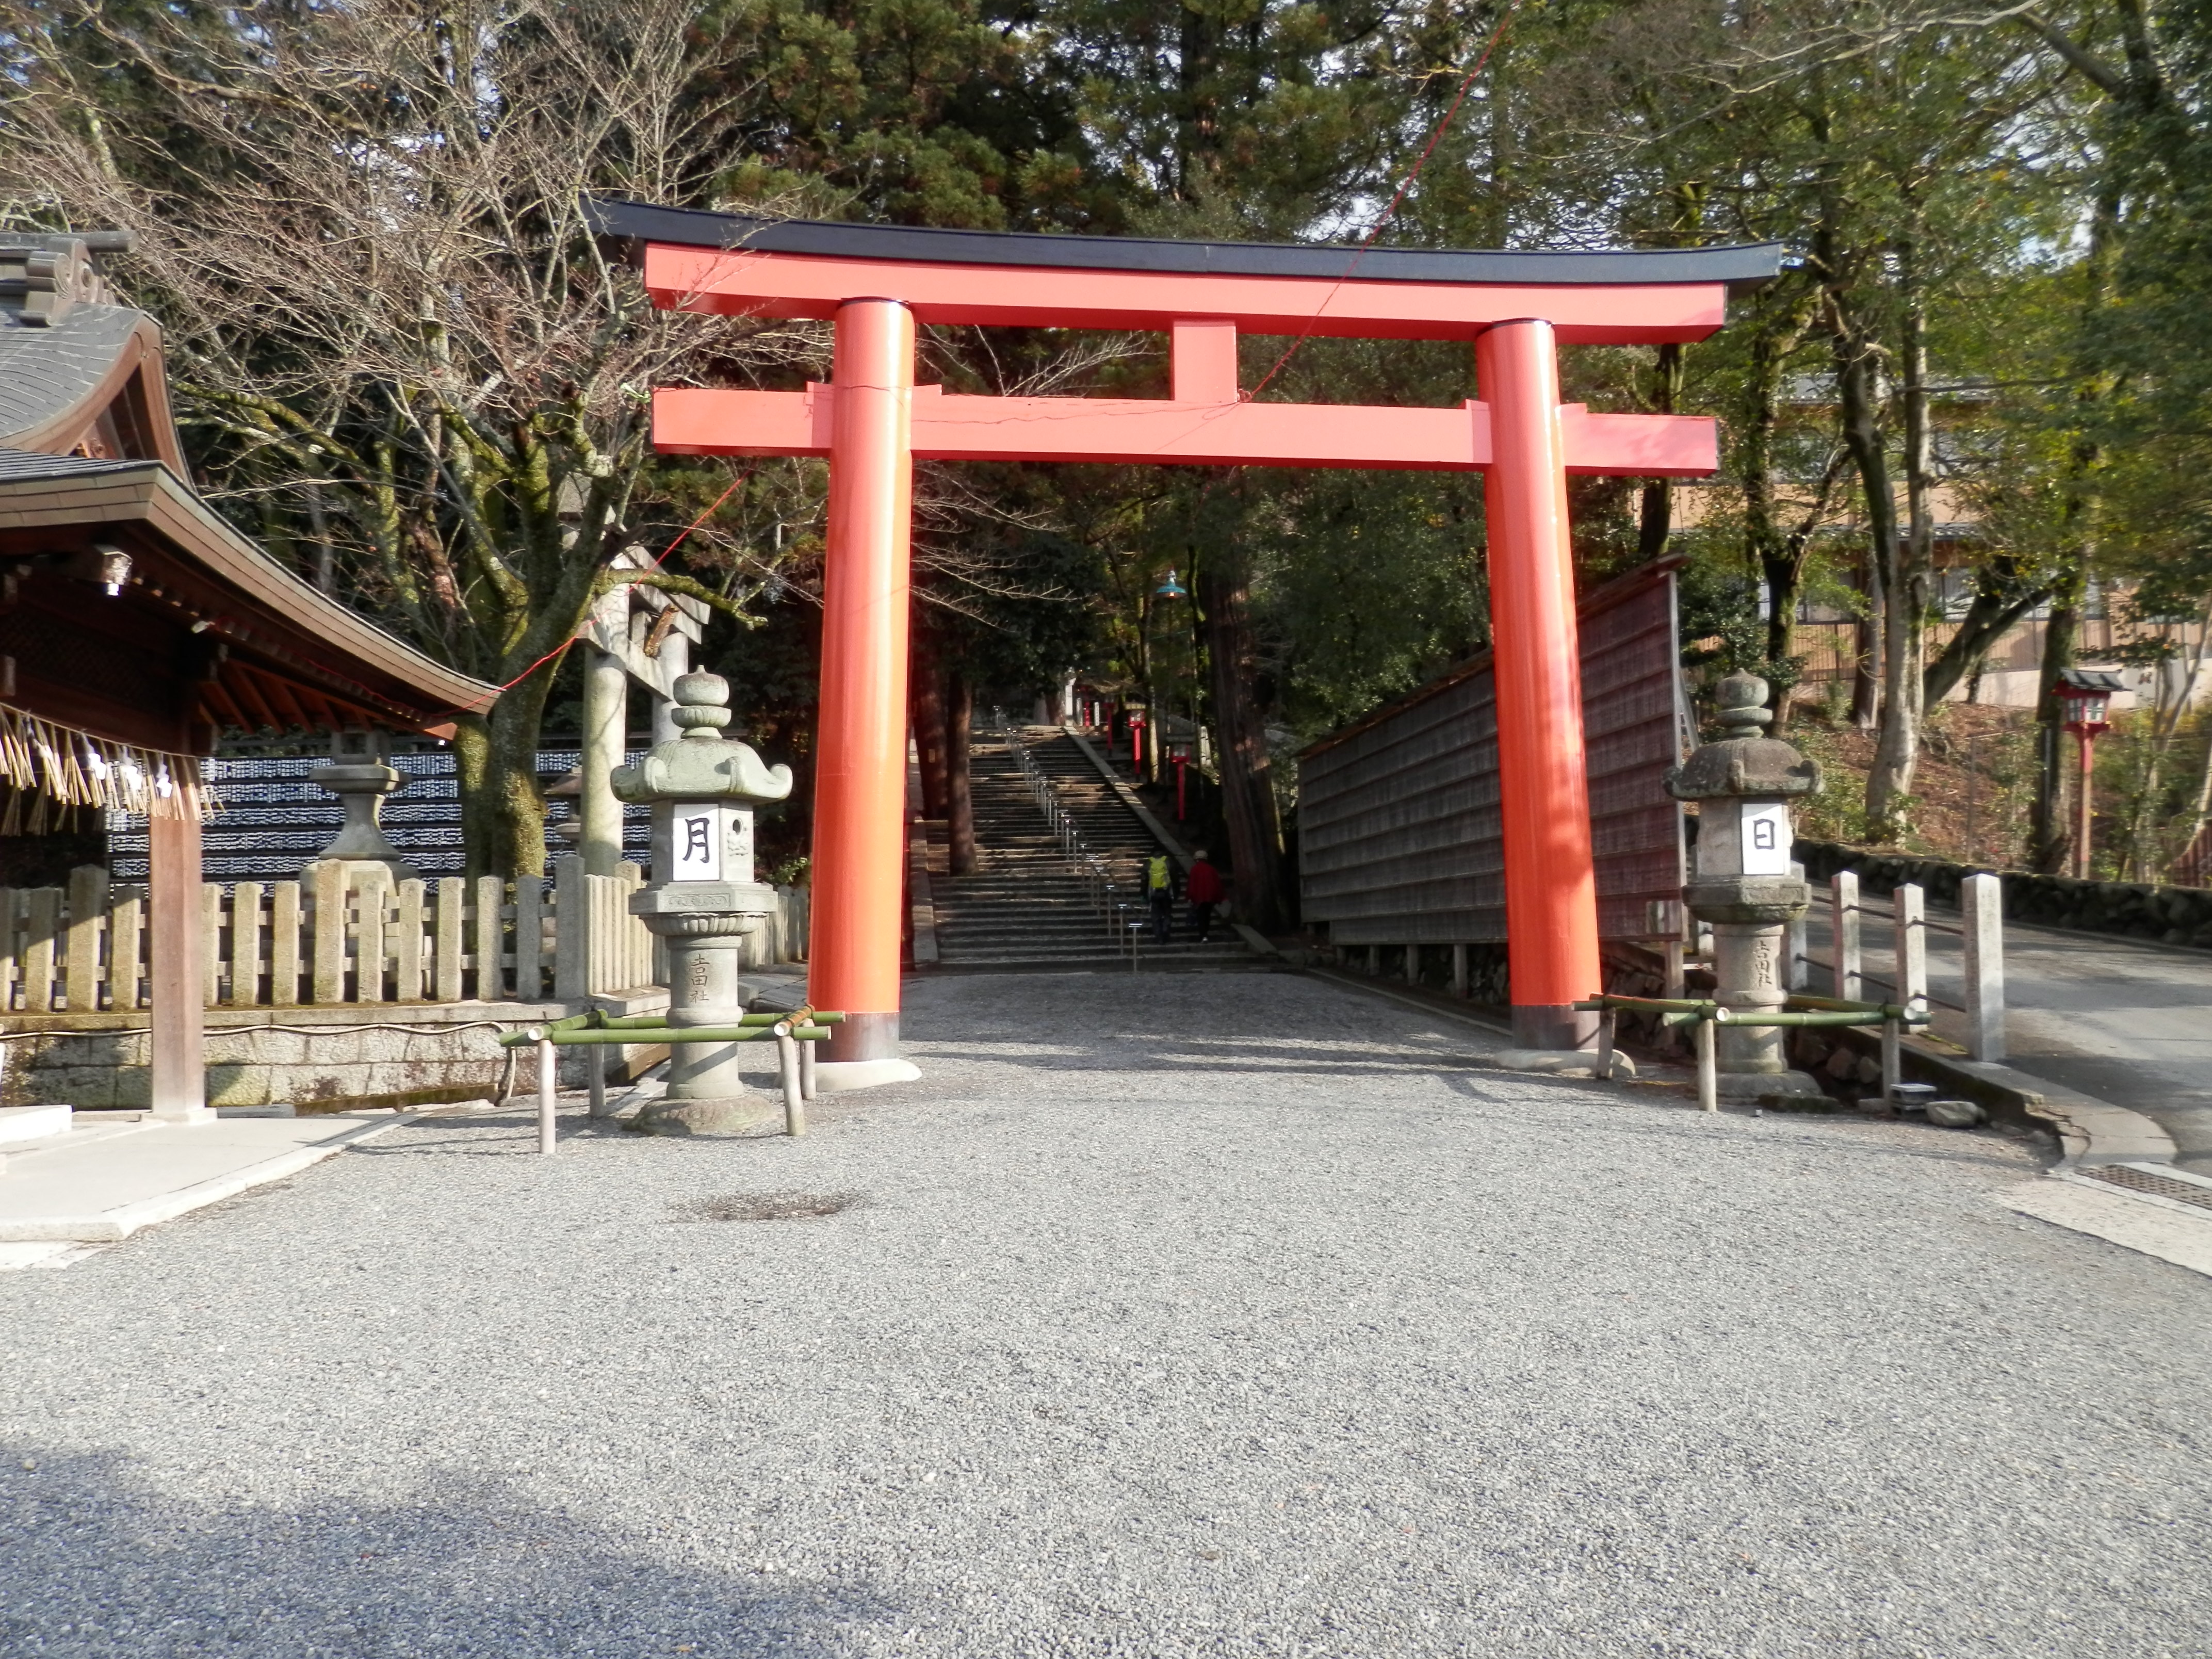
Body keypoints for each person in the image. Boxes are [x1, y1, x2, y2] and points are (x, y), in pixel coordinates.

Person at [1185, 849, 1224, 943]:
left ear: (1196, 859)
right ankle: (1205, 934)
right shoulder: (1211, 869)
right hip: (1210, 897)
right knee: (1207, 916)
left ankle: (1203, 935)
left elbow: (1191, 884)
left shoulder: (1194, 869)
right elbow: (1217, 884)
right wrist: (1219, 898)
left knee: (1200, 916)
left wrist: (1189, 897)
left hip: (1199, 898)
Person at [1145, 851, 1177, 944]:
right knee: (1167, 913)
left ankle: (1159, 937)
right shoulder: (1168, 862)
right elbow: (1175, 878)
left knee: (1156, 916)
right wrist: (1175, 893)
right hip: (1166, 892)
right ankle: (1166, 930)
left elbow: (1145, 879)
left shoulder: (1149, 863)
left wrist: (1144, 894)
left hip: (1154, 893)